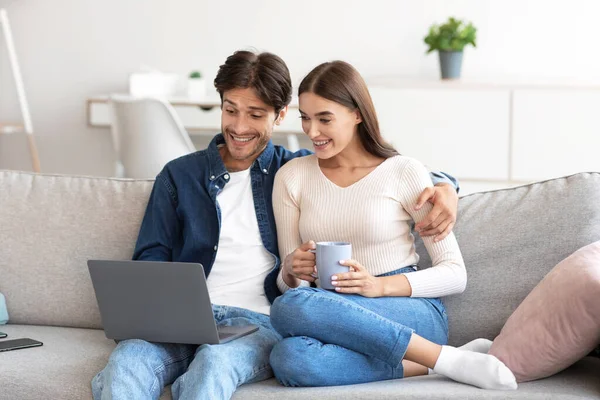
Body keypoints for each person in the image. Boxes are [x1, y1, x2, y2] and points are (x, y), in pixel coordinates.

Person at [91, 50, 461, 400]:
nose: (239, 126)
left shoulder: (294, 169)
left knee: (214, 365)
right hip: (181, 319)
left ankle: (438, 360)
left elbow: (378, 170)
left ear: (280, 115)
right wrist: (162, 307)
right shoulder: (179, 175)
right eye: (230, 110)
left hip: (258, 322)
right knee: (126, 364)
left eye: (255, 114)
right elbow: (150, 257)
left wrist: (447, 186)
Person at [269, 60, 517, 391]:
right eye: (305, 118)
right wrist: (290, 271)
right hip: (331, 308)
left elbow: (455, 274)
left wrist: (379, 286)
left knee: (289, 309)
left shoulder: (404, 171)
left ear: (357, 114)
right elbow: (292, 288)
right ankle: (435, 361)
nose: (311, 132)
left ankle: (446, 359)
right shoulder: (292, 176)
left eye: (324, 118)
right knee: (290, 356)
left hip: (409, 309)